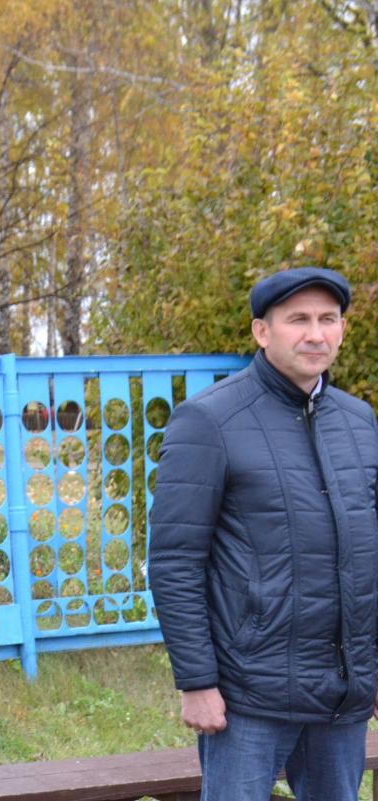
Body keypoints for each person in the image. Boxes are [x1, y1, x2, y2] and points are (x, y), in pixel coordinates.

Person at [148, 267, 378, 800]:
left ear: (342, 329)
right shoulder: (209, 420)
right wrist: (197, 682)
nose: (315, 334)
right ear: (261, 331)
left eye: (328, 319)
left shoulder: (359, 421)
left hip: (341, 693)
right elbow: (174, 562)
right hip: (250, 693)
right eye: (298, 320)